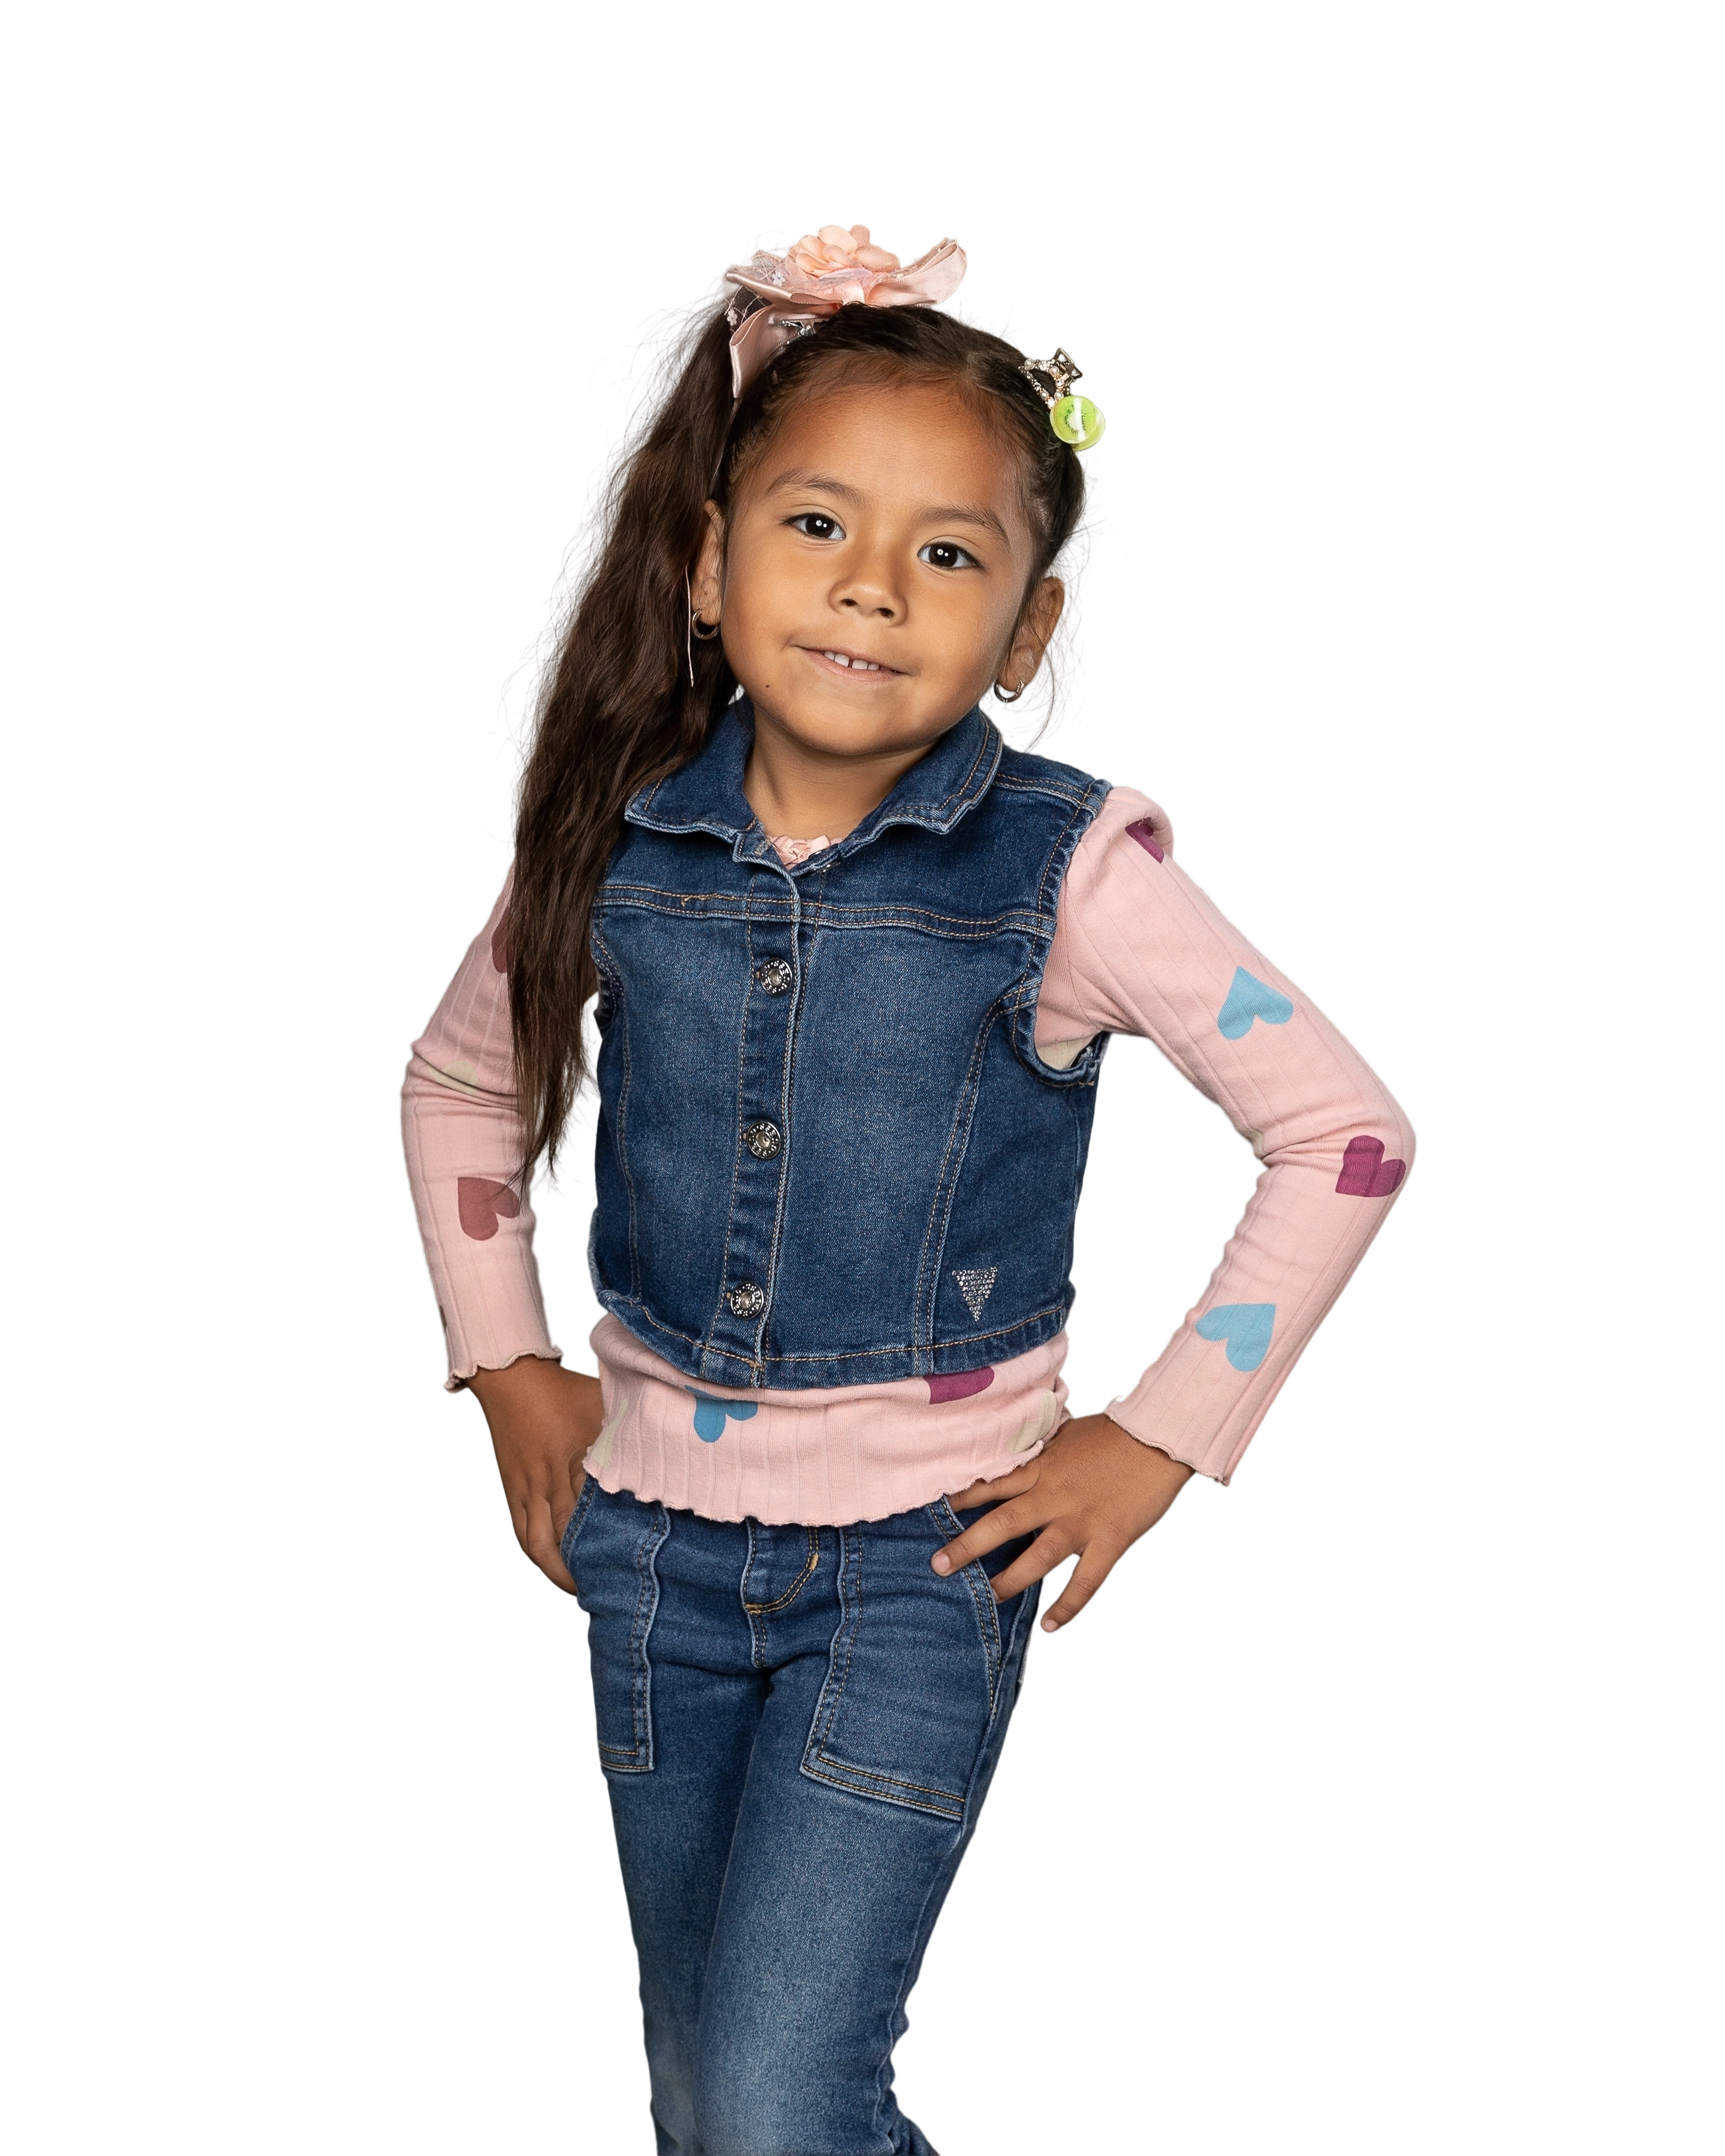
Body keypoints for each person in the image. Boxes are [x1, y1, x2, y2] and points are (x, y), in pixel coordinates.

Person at [397, 221, 1418, 2156]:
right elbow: (458, 1081)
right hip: (650, 1554)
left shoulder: (1071, 873)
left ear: (1027, 628)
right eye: (816, 526)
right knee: (702, 2100)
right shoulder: (610, 847)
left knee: (780, 2113)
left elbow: (1346, 1135)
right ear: (709, 562)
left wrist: (1158, 1438)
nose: (873, 584)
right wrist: (509, 1362)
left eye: (949, 553)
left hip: (920, 1576)